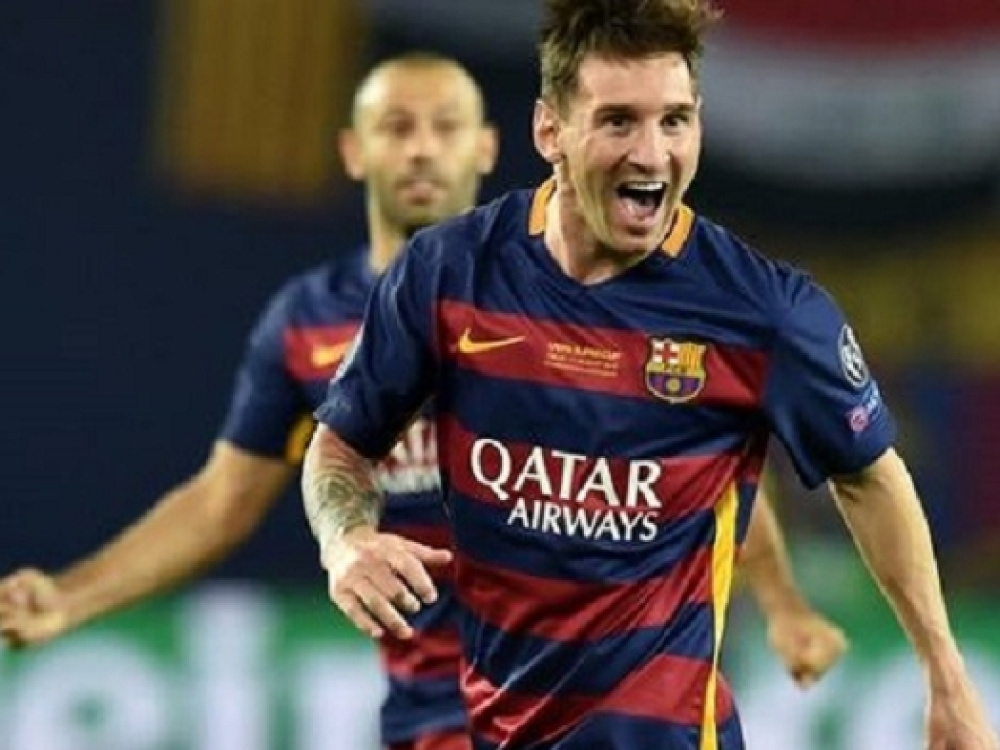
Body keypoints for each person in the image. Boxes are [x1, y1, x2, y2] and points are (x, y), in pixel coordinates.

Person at [0, 51, 843, 750]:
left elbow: (695, 469)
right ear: (354, 151)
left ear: (488, 147)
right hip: (435, 712)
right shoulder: (308, 323)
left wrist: (782, 604)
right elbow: (222, 503)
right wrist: (73, 597)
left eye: (445, 128)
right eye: (396, 128)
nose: (421, 152)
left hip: (586, 701)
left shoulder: (568, 306)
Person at [299, 3, 1000, 749]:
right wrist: (346, 543)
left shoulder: (762, 310)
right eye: (618, 122)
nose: (651, 153)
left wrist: (946, 677)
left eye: (675, 121)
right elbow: (340, 446)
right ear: (550, 131)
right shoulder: (450, 274)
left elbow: (870, 476)